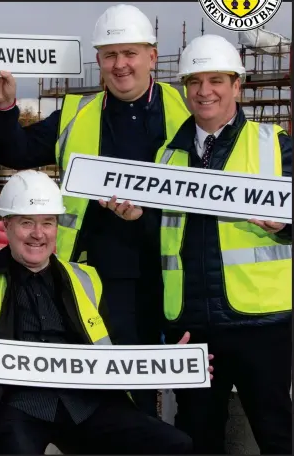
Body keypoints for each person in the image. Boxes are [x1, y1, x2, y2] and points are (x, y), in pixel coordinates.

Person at [0, 4, 191, 417]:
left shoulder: (187, 112)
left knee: (184, 390)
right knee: (113, 389)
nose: (121, 65)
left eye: (130, 53)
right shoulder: (76, 115)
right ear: (98, 60)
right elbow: (17, 152)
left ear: (152, 56)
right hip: (97, 278)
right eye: (110, 55)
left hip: (172, 274)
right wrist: (5, 107)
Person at [0, 170, 213, 455]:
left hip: (86, 402)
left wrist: (168, 363)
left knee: (173, 444)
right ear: (5, 224)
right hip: (14, 402)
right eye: (27, 223)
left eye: (48, 223)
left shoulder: (86, 279)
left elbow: (112, 352)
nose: (38, 234)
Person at [107, 34, 292, 455]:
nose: (204, 91)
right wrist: (138, 219)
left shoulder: (274, 146)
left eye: (216, 80)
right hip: (192, 327)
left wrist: (284, 225)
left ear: (236, 86)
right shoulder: (167, 159)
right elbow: (164, 238)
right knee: (196, 436)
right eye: (194, 82)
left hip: (261, 325)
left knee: (277, 434)